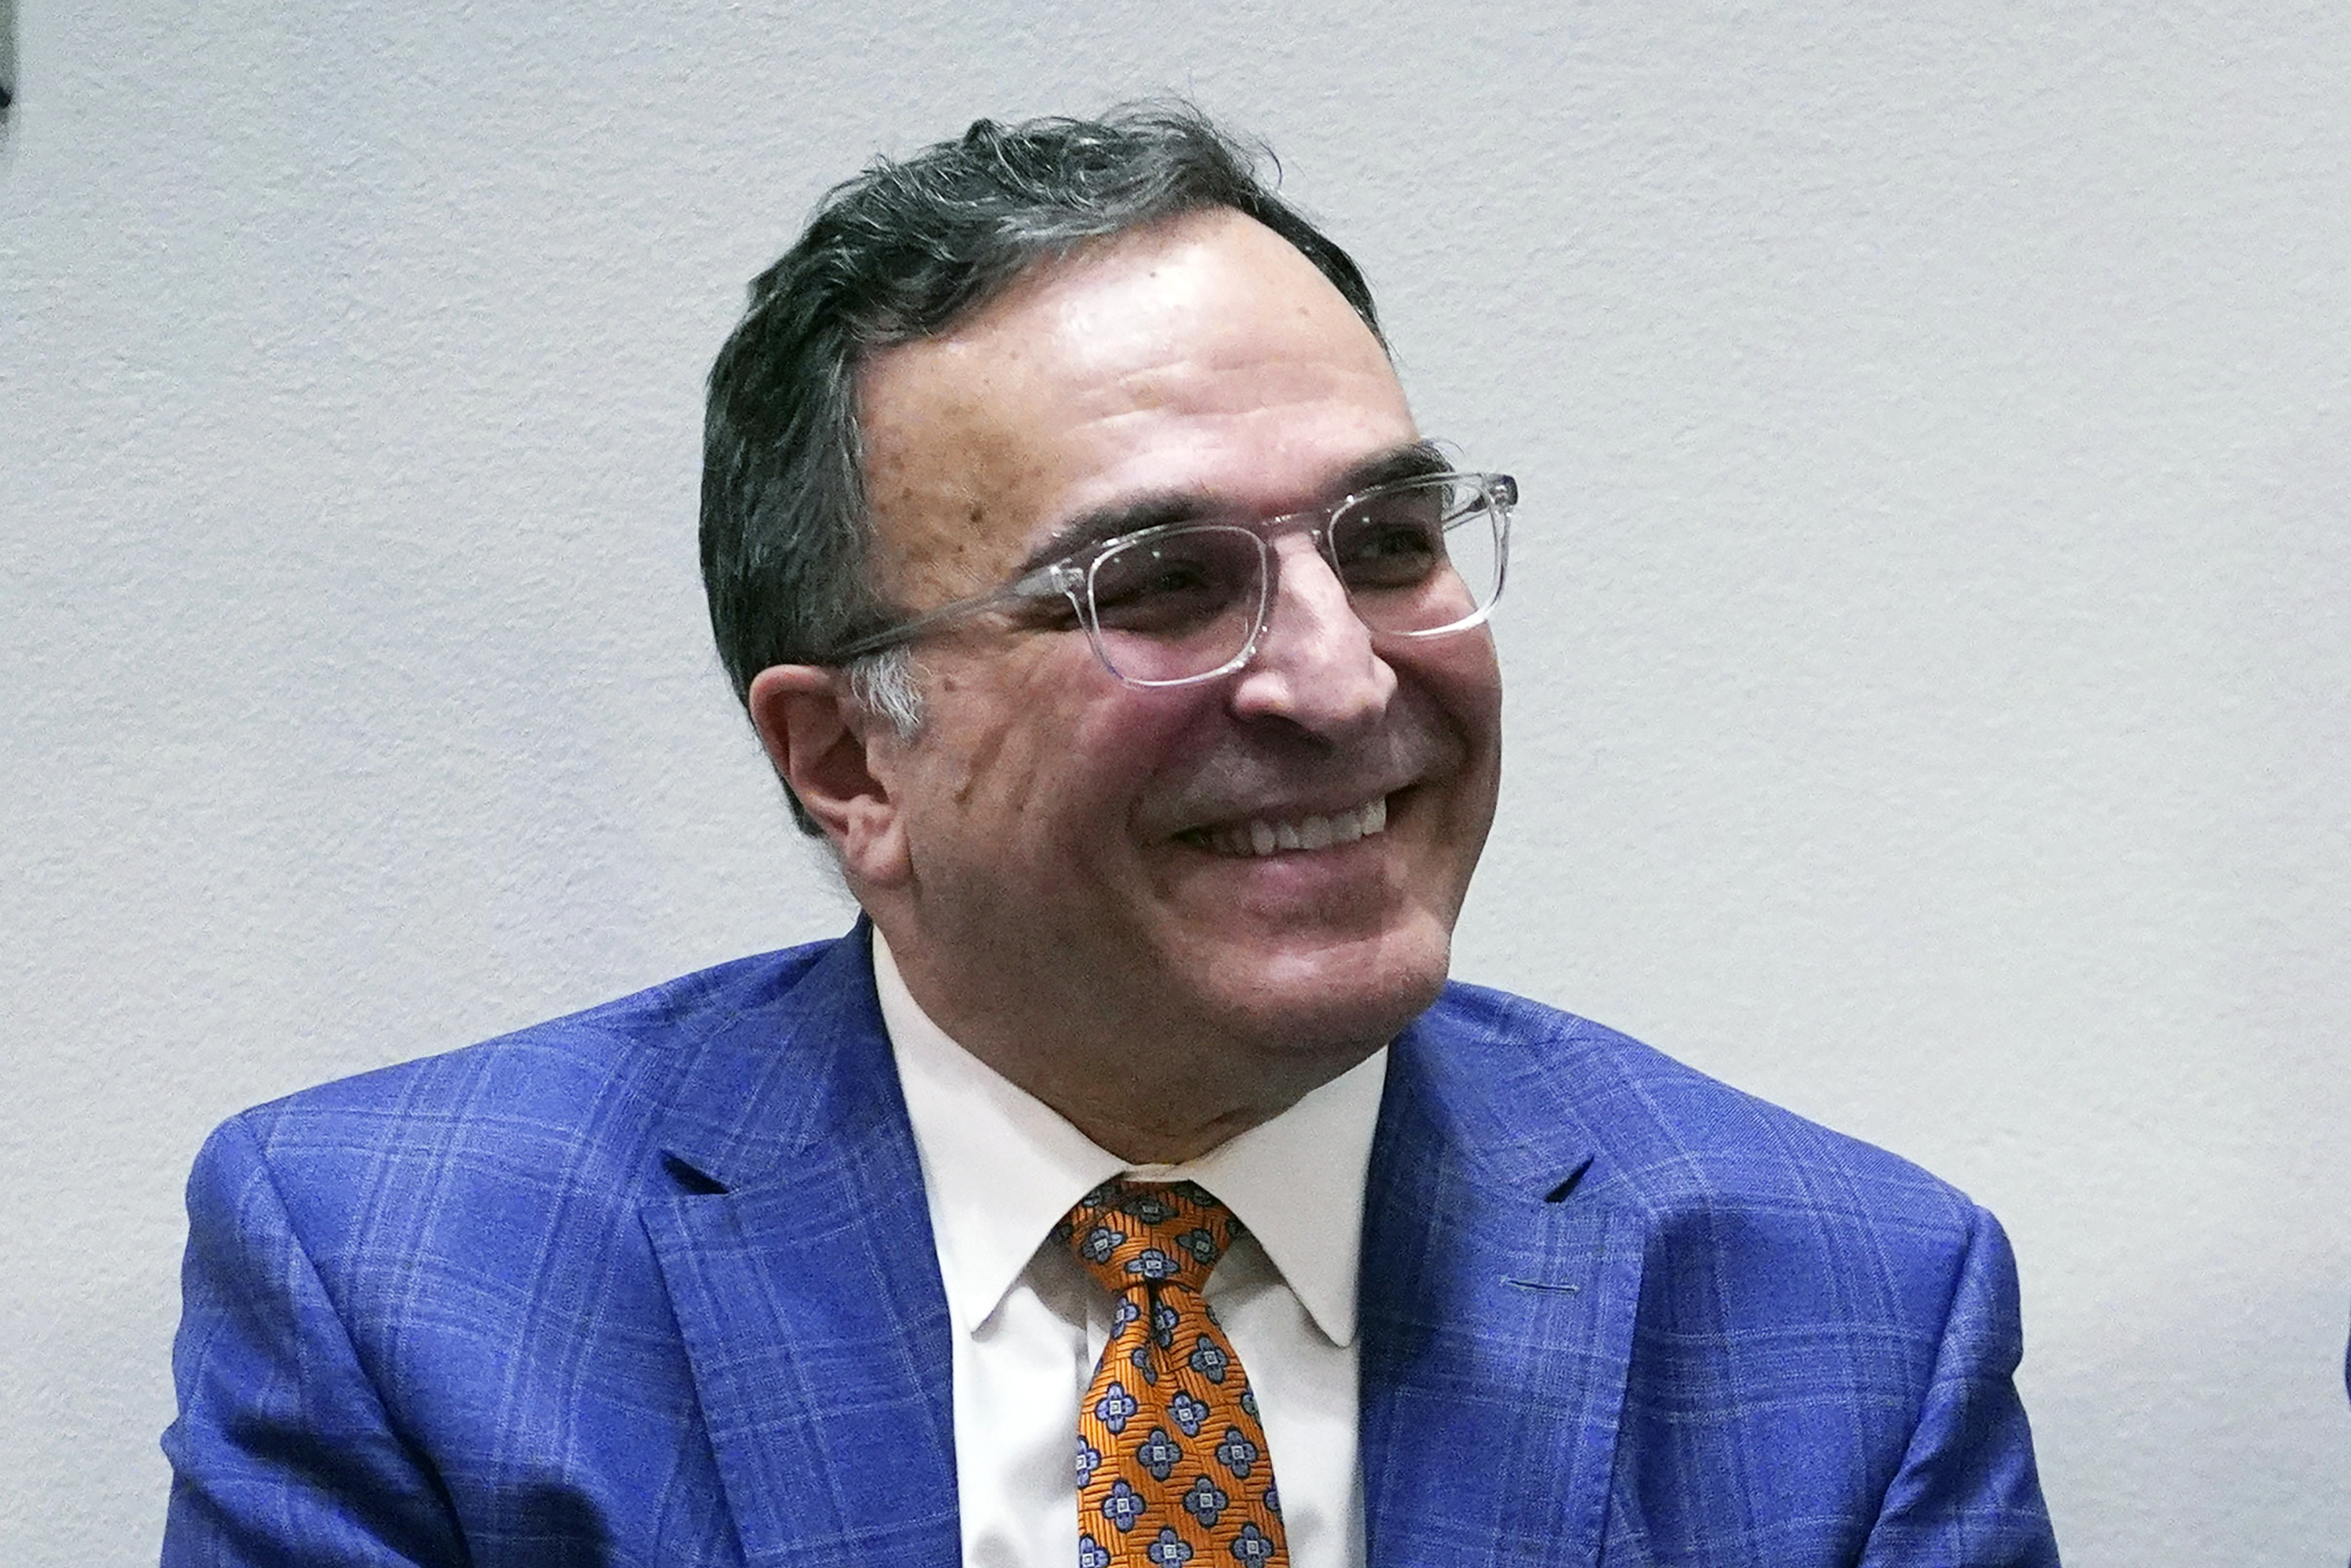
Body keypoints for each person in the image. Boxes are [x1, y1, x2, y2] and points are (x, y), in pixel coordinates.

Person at [161, 105, 2061, 1567]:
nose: (1336, 679)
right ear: (848, 764)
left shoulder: (1846, 1310)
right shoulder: (410, 1282)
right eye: (1159, 585)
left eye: (1389, 543)